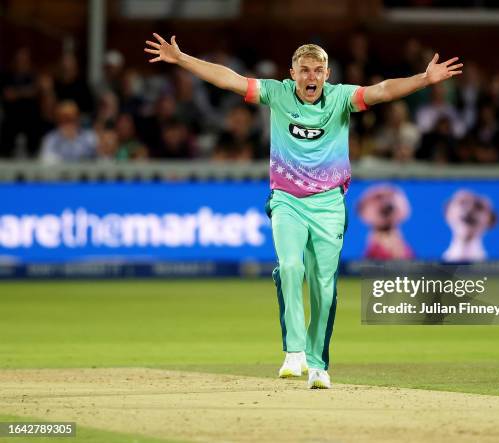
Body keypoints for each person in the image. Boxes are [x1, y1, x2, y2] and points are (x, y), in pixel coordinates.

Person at [145, 33, 462, 389]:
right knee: (291, 266)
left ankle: (318, 365)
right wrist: (183, 58)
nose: (311, 77)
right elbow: (229, 78)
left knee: (324, 288)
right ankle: (293, 351)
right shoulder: (277, 94)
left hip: (328, 205)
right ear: (292, 73)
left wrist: (424, 79)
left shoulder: (342, 98)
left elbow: (383, 90)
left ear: (327, 74)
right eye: (304, 70)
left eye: (318, 70)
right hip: (287, 200)